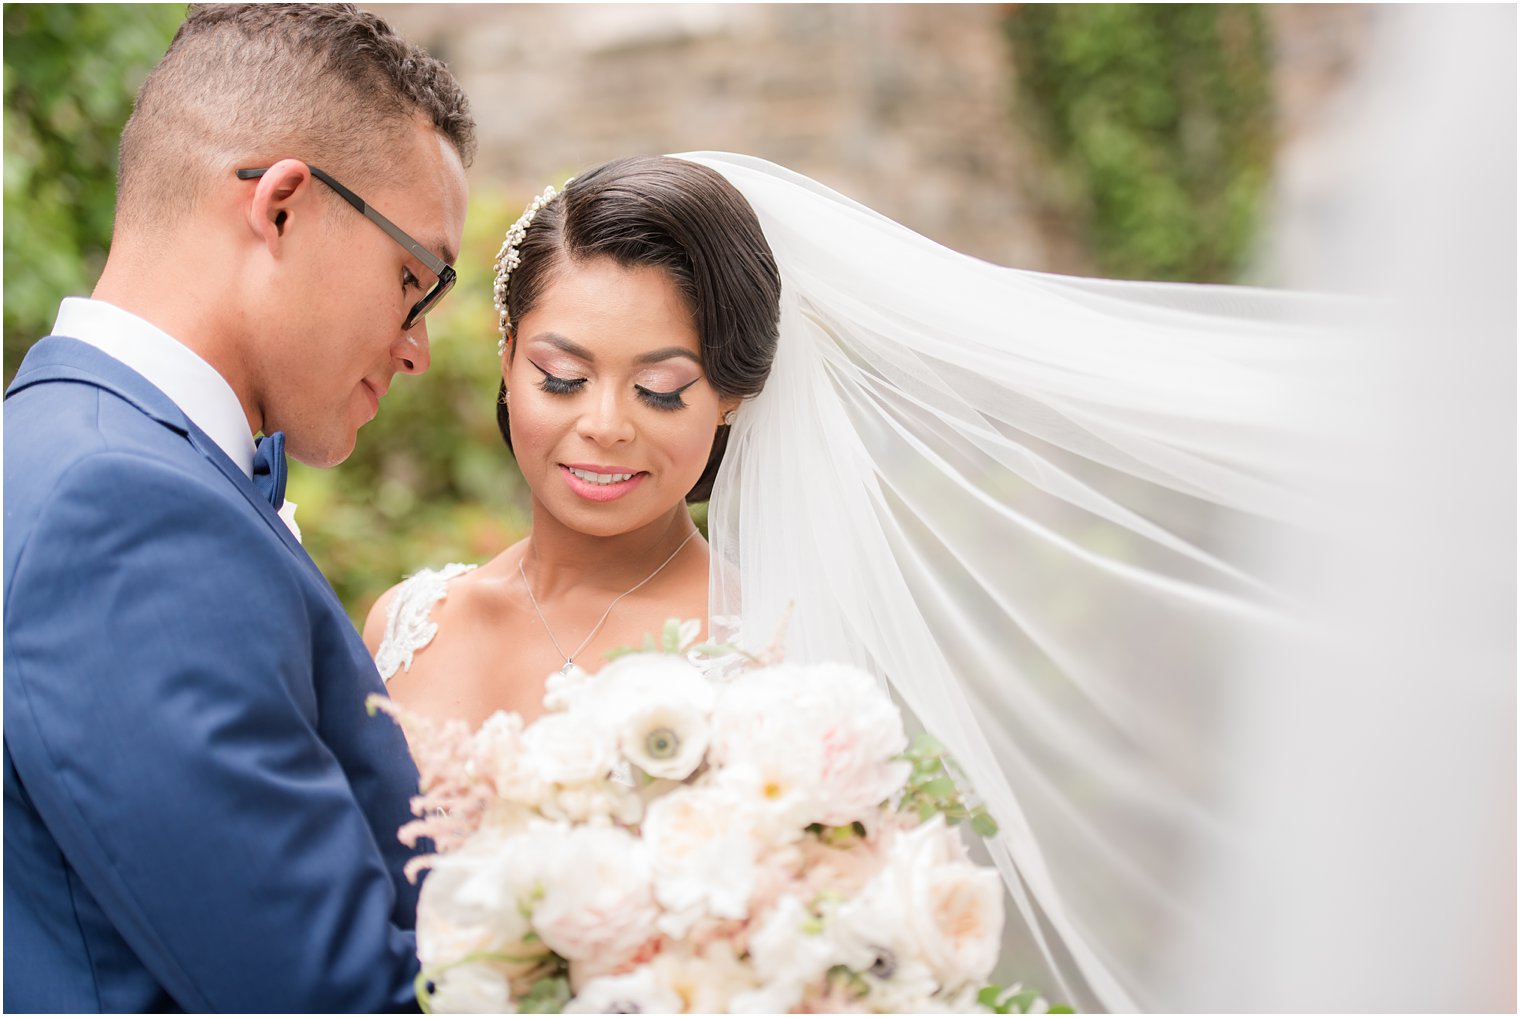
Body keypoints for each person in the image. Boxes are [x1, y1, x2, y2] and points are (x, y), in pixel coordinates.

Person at [3, 4, 473, 1011]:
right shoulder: (124, 514)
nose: (415, 344)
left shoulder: (67, 451)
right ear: (284, 208)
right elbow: (324, 994)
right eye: (411, 278)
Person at [366, 157, 780, 729]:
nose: (605, 425)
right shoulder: (408, 627)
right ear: (508, 359)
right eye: (563, 377)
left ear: (730, 396)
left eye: (659, 390)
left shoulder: (773, 651)